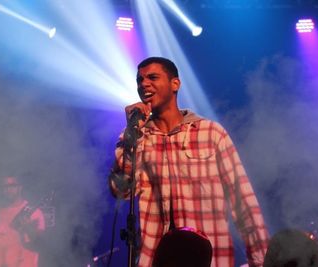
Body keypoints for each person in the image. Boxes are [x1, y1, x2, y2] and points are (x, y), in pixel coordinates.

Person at [109, 56, 269, 267]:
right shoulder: (136, 137)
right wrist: (131, 135)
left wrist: (261, 260)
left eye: (152, 77)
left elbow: (244, 202)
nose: (144, 84)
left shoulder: (211, 133)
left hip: (211, 260)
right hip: (156, 260)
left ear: (175, 84)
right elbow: (122, 191)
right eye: (140, 80)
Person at [0, 176, 46, 267]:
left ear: (20, 187)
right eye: (5, 187)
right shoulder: (0, 212)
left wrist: (28, 228)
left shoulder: (34, 211)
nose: (8, 190)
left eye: (12, 186)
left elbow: (41, 242)